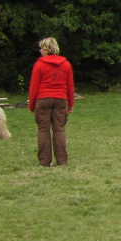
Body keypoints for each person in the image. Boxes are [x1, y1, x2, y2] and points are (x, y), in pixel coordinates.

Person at [29, 37, 75, 167]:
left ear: (47, 49)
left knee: (43, 130)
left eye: (42, 48)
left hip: (42, 100)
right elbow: (70, 86)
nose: (40, 50)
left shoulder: (39, 64)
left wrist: (31, 104)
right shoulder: (66, 64)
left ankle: (44, 162)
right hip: (60, 99)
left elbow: (34, 87)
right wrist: (70, 104)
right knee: (59, 130)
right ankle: (62, 161)